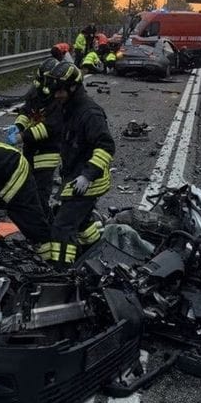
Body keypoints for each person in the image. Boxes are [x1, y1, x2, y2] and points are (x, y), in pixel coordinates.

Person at [43, 61, 115, 267]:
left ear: (73, 87)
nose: (56, 95)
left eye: (60, 91)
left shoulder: (90, 113)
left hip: (88, 180)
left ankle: (62, 270)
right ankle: (96, 252)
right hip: (74, 174)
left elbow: (106, 146)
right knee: (82, 222)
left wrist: (87, 175)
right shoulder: (68, 106)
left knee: (62, 227)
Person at [6, 58, 63, 209]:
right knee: (25, 183)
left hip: (48, 152)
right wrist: (18, 125)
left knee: (41, 190)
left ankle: (41, 214)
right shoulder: (36, 92)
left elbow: (49, 127)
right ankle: (27, 211)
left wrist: (22, 136)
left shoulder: (60, 100)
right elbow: (26, 111)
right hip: (31, 148)